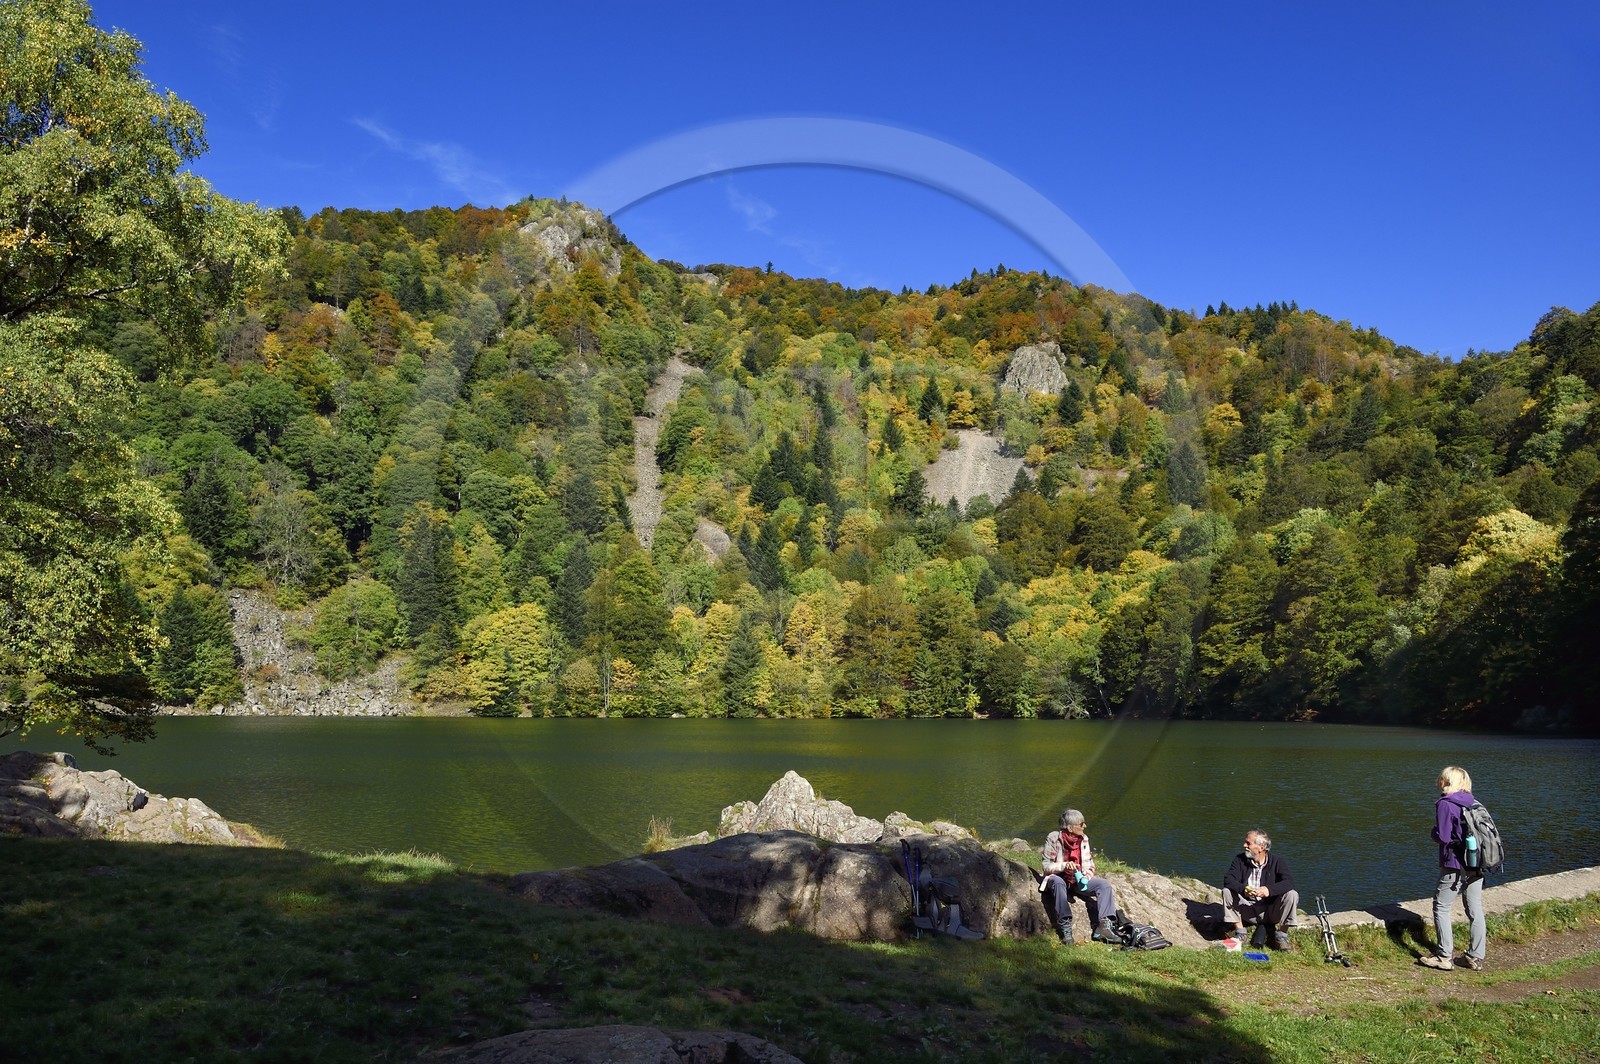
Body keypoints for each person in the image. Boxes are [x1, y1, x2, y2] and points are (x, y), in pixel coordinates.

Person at [1420, 765, 1486, 971]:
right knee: (1474, 908)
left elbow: (1444, 837)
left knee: (1441, 906)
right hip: (1477, 862)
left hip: (1455, 864)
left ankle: (1443, 956)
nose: (1438, 781)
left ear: (1446, 781)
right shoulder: (1473, 802)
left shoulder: (1445, 804)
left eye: (1441, 778)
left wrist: (1433, 833)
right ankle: (1475, 956)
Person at [1039, 808, 1119, 944]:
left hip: (1076, 881)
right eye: (1081, 824)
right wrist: (1064, 865)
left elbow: (1090, 865)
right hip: (1058, 878)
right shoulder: (1053, 838)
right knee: (1058, 883)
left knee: (1104, 886)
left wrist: (1084, 878)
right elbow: (1046, 866)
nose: (1085, 827)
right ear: (1070, 827)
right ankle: (1066, 930)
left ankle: (1104, 928)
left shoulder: (1084, 839)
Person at [1222, 829, 1299, 950]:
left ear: (1261, 847)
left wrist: (1269, 890)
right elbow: (1228, 880)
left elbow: (1289, 882)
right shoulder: (1239, 860)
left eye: (1248, 843)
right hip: (1248, 909)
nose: (1244, 846)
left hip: (1271, 911)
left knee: (1292, 894)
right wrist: (1243, 889)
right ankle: (1240, 932)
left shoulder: (1277, 861)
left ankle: (1282, 935)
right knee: (1227, 891)